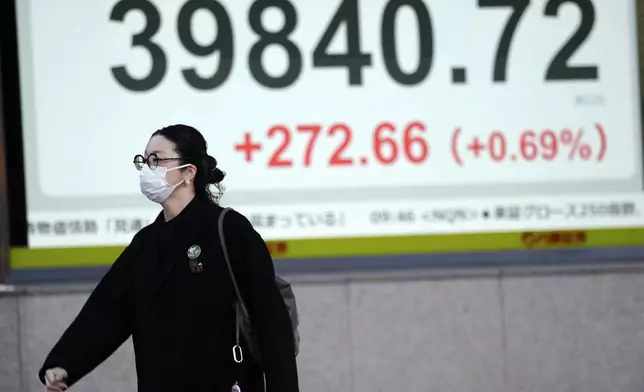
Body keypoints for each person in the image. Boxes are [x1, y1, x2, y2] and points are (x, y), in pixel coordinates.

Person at [39, 124, 299, 392]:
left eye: (157, 160)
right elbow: (108, 310)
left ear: (188, 172)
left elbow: (270, 317)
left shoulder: (229, 229)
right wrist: (66, 364)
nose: (147, 169)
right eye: (144, 161)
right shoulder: (146, 243)